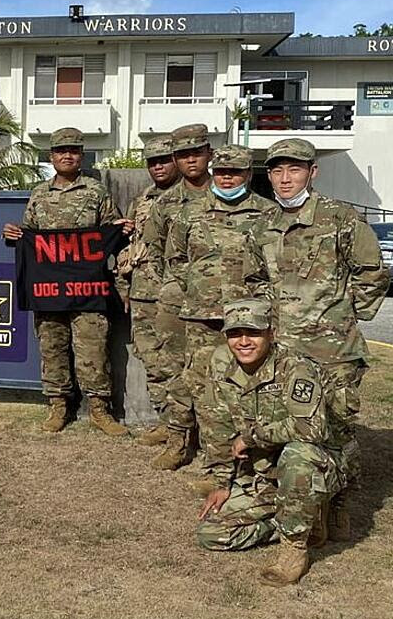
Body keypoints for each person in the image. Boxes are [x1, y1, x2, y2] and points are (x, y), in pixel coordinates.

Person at [254, 138, 388, 539]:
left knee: (339, 429)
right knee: (297, 432)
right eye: (277, 171)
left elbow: (372, 272)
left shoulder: (340, 218)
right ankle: (306, 511)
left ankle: (340, 504)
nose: (285, 178)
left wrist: (344, 315)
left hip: (335, 352)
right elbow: (254, 280)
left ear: (312, 172)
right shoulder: (264, 226)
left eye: (294, 169)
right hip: (284, 352)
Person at [196, 299, 342, 587]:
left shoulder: (296, 368)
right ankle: (304, 516)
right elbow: (217, 424)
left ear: (271, 333)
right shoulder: (220, 362)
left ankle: (294, 548)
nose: (244, 342)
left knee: (298, 454)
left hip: (314, 465)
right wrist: (222, 481)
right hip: (265, 473)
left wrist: (252, 437)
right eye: (235, 334)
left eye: (253, 332)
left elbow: (311, 427)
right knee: (212, 534)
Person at [1, 127, 130, 436]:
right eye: (61, 151)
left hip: (87, 288)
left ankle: (100, 409)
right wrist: (14, 235)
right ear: (52, 157)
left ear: (81, 156)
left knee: (93, 349)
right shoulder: (39, 194)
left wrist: (119, 230)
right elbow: (28, 235)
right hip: (49, 290)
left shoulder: (96, 191)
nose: (67, 155)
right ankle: (58, 406)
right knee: (52, 347)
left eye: (73, 150)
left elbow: (110, 234)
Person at [158, 144, 276, 475]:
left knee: (246, 387)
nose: (226, 178)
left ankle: (248, 456)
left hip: (249, 321)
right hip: (201, 316)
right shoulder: (189, 212)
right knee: (198, 385)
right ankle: (191, 448)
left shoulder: (268, 214)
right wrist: (198, 289)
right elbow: (176, 258)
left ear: (248, 174)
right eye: (221, 172)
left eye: (234, 172)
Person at [141, 124, 213, 465]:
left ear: (209, 154)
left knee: (218, 377)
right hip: (177, 303)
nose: (190, 160)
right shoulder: (166, 202)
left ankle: (219, 450)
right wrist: (171, 288)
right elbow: (153, 250)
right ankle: (179, 440)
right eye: (183, 155)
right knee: (173, 372)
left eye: (196, 152)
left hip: (224, 307)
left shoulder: (234, 194)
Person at [115, 133, 179, 445]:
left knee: (182, 363)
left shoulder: (192, 198)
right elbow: (127, 246)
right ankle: (168, 422)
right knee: (152, 360)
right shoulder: (141, 201)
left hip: (180, 296)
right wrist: (122, 285)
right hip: (143, 292)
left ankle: (187, 427)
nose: (158, 167)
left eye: (164, 160)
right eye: (152, 162)